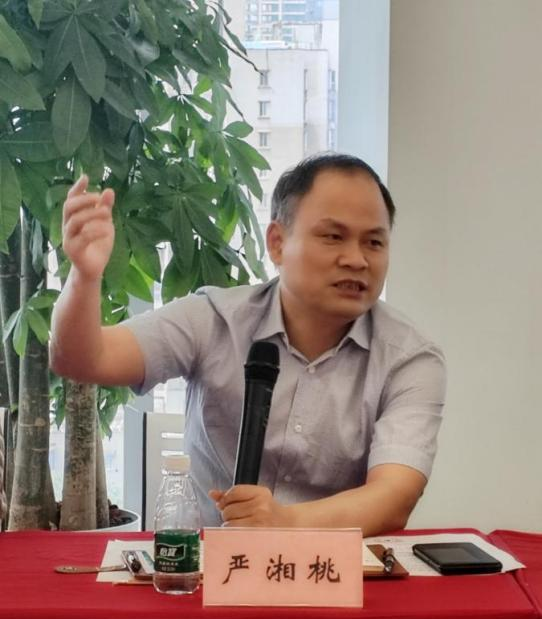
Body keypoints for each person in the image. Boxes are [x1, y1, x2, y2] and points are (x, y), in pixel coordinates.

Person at [50, 153, 446, 535]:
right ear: (277, 242)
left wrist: (285, 523)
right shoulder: (215, 319)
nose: (356, 260)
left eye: (374, 243)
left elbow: (394, 497)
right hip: (208, 565)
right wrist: (84, 277)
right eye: (333, 236)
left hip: (333, 570)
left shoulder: (409, 358)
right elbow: (83, 360)